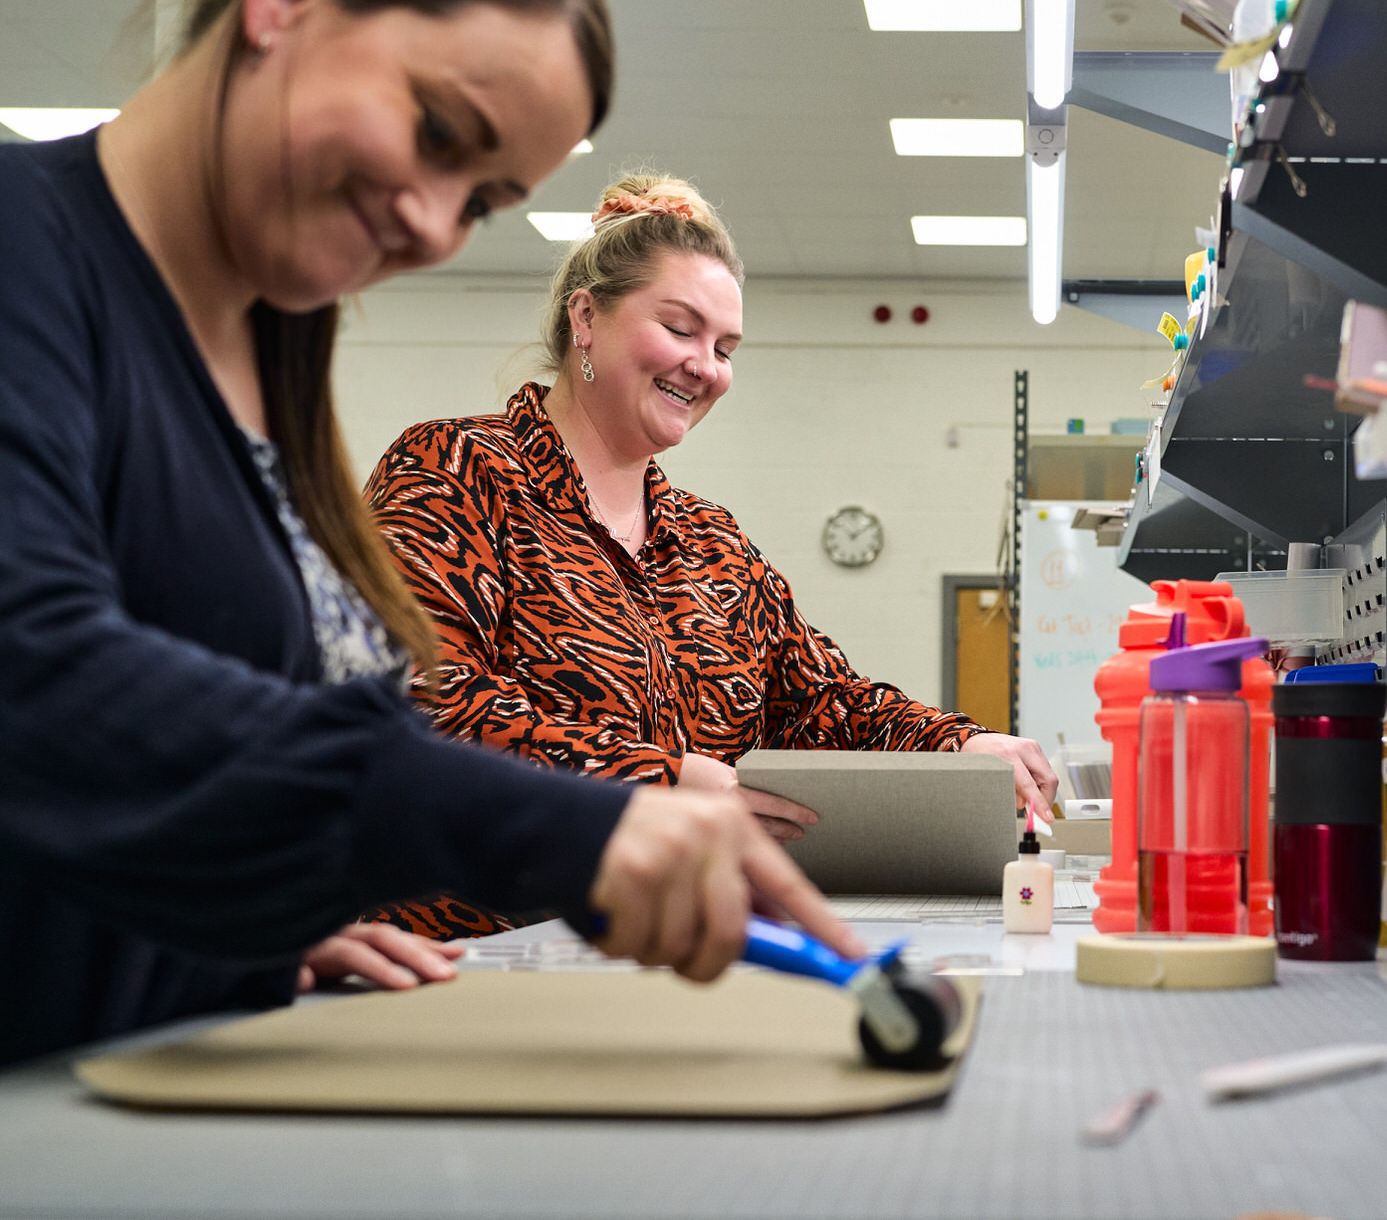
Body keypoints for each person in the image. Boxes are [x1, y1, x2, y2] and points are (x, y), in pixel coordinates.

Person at [0, 0, 856, 1070]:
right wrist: (565, 822)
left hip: (142, 1068)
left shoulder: (271, 348)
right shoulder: (27, 254)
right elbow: (36, 673)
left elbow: (203, 753)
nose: (433, 224)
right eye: (440, 134)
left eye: (482, 200)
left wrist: (251, 935)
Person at [362, 174, 1061, 938]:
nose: (706, 366)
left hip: (660, 947)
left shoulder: (712, 542)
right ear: (586, 317)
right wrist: (660, 781)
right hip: (467, 951)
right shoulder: (457, 470)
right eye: (681, 328)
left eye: (724, 347)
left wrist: (958, 745)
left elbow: (826, 702)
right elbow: (420, 711)